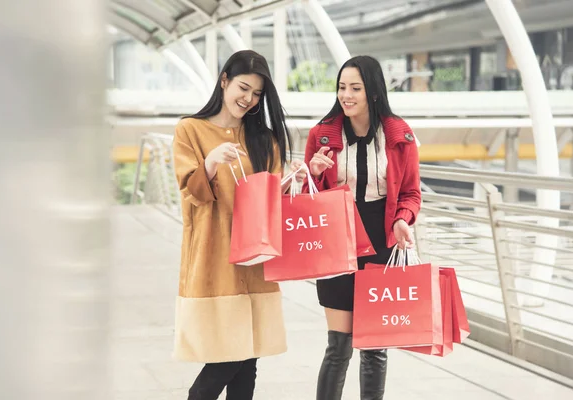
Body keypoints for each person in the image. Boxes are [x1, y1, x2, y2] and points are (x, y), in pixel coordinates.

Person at [172, 50, 305, 400]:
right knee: (226, 358)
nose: (248, 99)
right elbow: (190, 192)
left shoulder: (265, 139)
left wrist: (302, 178)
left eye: (257, 94)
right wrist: (212, 162)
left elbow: (273, 199)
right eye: (243, 88)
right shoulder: (191, 130)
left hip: (257, 263)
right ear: (224, 80)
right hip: (215, 260)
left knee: (247, 362)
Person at [303, 55, 422, 400]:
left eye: (355, 87)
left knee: (374, 347)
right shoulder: (322, 134)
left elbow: (412, 192)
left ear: (373, 91)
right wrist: (313, 170)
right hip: (337, 242)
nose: (346, 95)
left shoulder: (399, 136)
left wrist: (403, 219)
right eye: (342, 87)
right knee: (338, 346)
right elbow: (308, 196)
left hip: (381, 240)